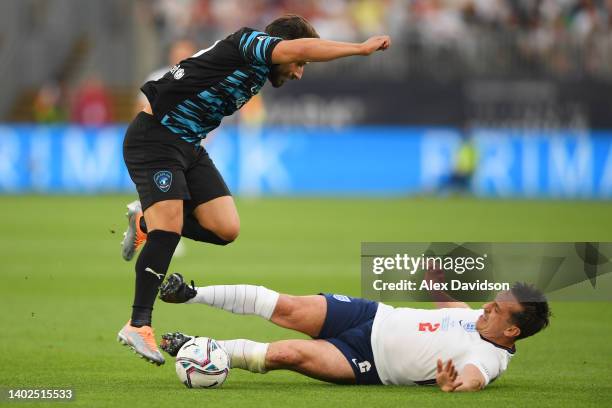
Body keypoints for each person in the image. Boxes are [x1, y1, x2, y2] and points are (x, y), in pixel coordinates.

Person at [117, 14, 392, 365]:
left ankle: (146, 220)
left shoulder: (258, 71)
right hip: (154, 137)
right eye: (299, 63)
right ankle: (138, 324)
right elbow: (298, 47)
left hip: (189, 146)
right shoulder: (249, 44)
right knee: (168, 229)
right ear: (282, 48)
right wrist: (359, 48)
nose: (298, 72)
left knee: (225, 228)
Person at [157, 273, 551, 391]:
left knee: (284, 355)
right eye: (491, 300)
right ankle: (192, 293)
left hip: (366, 363)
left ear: (512, 330)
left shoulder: (489, 359)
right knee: (288, 306)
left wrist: (453, 386)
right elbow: (457, 310)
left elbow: (473, 380)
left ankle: (195, 348)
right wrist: (436, 284)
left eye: (496, 309)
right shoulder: (478, 320)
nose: (487, 306)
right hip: (371, 314)